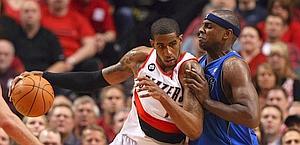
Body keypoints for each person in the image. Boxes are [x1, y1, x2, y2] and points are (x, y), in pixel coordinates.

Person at [15, 18, 207, 144]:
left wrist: (163, 97)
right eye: (161, 46)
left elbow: (194, 129)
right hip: (130, 136)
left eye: (173, 44)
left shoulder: (189, 68)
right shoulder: (138, 58)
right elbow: (94, 80)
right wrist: (46, 76)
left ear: (181, 40)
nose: (168, 52)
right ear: (152, 44)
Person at [188, 10, 259, 145]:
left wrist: (207, 102)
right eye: (202, 25)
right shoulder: (199, 62)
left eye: (208, 26)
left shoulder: (233, 66)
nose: (200, 31)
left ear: (226, 34)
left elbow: (251, 116)